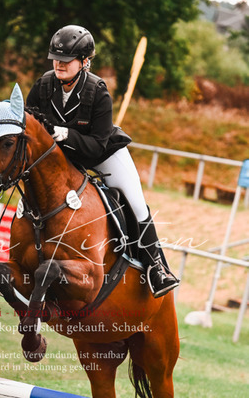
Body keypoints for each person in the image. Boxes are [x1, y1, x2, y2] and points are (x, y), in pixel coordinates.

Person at [26, 24, 179, 298]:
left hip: (103, 154)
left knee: (135, 200)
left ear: (84, 61)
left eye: (66, 59)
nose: (59, 64)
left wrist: (65, 134)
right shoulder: (43, 85)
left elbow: (96, 145)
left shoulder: (97, 91)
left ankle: (157, 267)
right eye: (55, 58)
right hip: (62, 158)